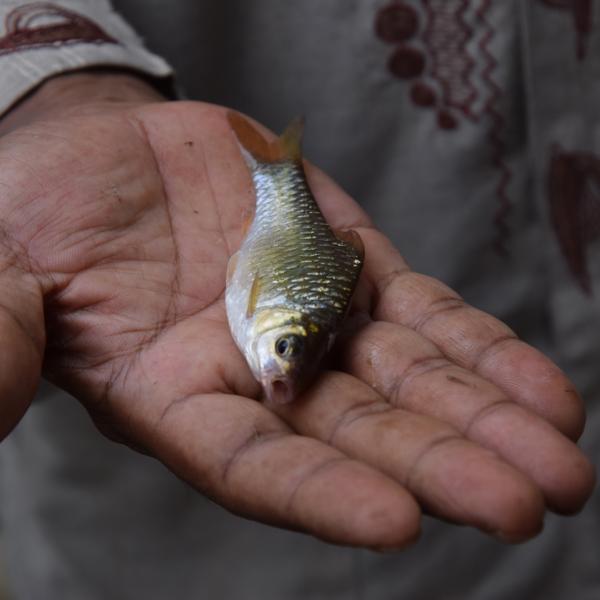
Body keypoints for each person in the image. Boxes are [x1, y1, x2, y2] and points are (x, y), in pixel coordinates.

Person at [0, 1, 596, 598]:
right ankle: (274, 165)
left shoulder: (281, 314)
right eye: (287, 347)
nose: (281, 363)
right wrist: (56, 87)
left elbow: (253, 272)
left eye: (286, 349)